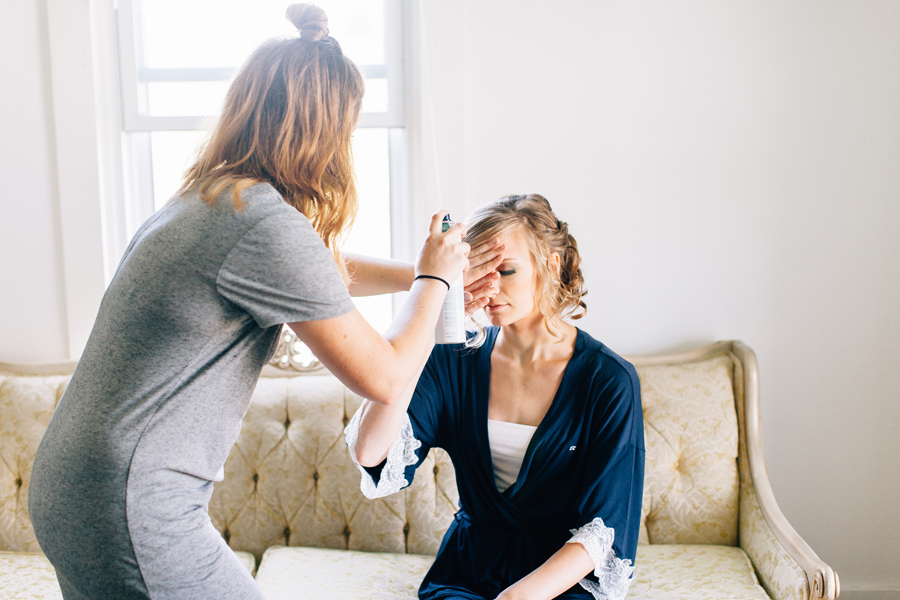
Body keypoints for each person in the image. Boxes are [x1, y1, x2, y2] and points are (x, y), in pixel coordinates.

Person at [27, 5, 480, 600]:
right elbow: (388, 378)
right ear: (326, 131)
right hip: (129, 502)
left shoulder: (210, 199)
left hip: (71, 487)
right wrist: (435, 284)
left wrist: (418, 272)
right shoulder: (263, 224)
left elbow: (312, 272)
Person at [347, 194, 645, 600]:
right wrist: (430, 304)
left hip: (558, 582)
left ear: (551, 266)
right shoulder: (452, 359)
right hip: (465, 574)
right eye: (475, 271)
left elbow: (603, 527)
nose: (490, 286)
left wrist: (514, 598)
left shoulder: (608, 380)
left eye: (505, 269)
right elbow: (370, 450)